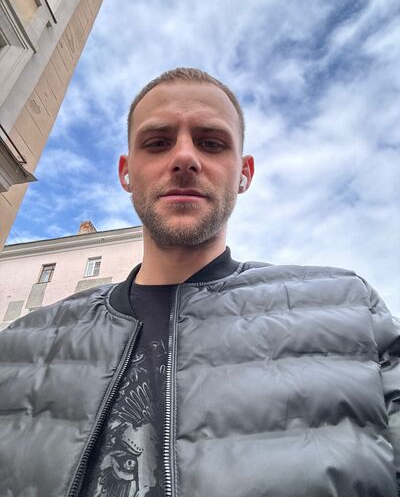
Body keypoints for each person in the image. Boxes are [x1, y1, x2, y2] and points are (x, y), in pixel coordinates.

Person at [0, 67, 399, 497]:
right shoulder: (21, 347)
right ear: (126, 172)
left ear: (244, 173)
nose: (184, 158)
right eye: (157, 142)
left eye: (211, 142)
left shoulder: (351, 312)